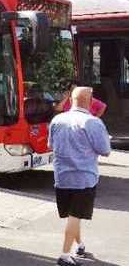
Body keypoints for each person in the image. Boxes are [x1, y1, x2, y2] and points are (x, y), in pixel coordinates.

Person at [48, 86, 111, 266]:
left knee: (73, 216)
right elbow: (105, 150)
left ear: (71, 100)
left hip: (61, 177)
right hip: (84, 177)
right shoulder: (93, 122)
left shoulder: (57, 120)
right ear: (90, 102)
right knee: (75, 215)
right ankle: (64, 255)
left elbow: (51, 145)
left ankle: (80, 245)